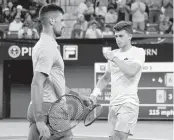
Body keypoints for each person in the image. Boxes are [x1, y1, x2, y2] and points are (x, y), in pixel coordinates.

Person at [27, 4, 92, 140]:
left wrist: (79, 96)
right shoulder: (48, 48)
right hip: (51, 110)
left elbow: (55, 83)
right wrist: (39, 120)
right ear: (52, 20)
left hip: (42, 108)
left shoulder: (42, 45)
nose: (64, 25)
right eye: (61, 20)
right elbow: (36, 83)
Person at [90, 21, 145, 140]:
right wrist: (94, 94)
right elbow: (105, 78)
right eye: (116, 36)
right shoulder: (113, 54)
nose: (118, 39)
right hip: (113, 105)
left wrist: (114, 58)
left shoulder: (138, 52)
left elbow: (131, 71)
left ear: (129, 36)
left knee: (118, 137)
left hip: (129, 103)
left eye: (121, 36)